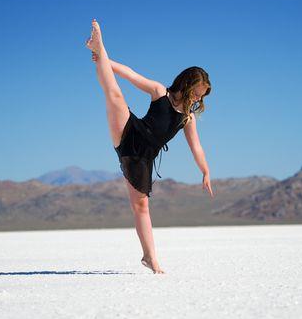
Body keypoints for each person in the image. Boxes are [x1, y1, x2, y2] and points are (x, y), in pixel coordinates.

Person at [85, 19, 213, 274]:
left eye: (202, 96)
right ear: (187, 84)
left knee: (140, 206)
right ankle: (100, 48)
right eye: (198, 92)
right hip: (131, 132)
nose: (199, 98)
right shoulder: (159, 91)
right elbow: (131, 75)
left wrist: (206, 170)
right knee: (115, 94)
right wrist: (104, 62)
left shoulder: (187, 117)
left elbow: (196, 147)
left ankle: (149, 257)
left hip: (143, 157)